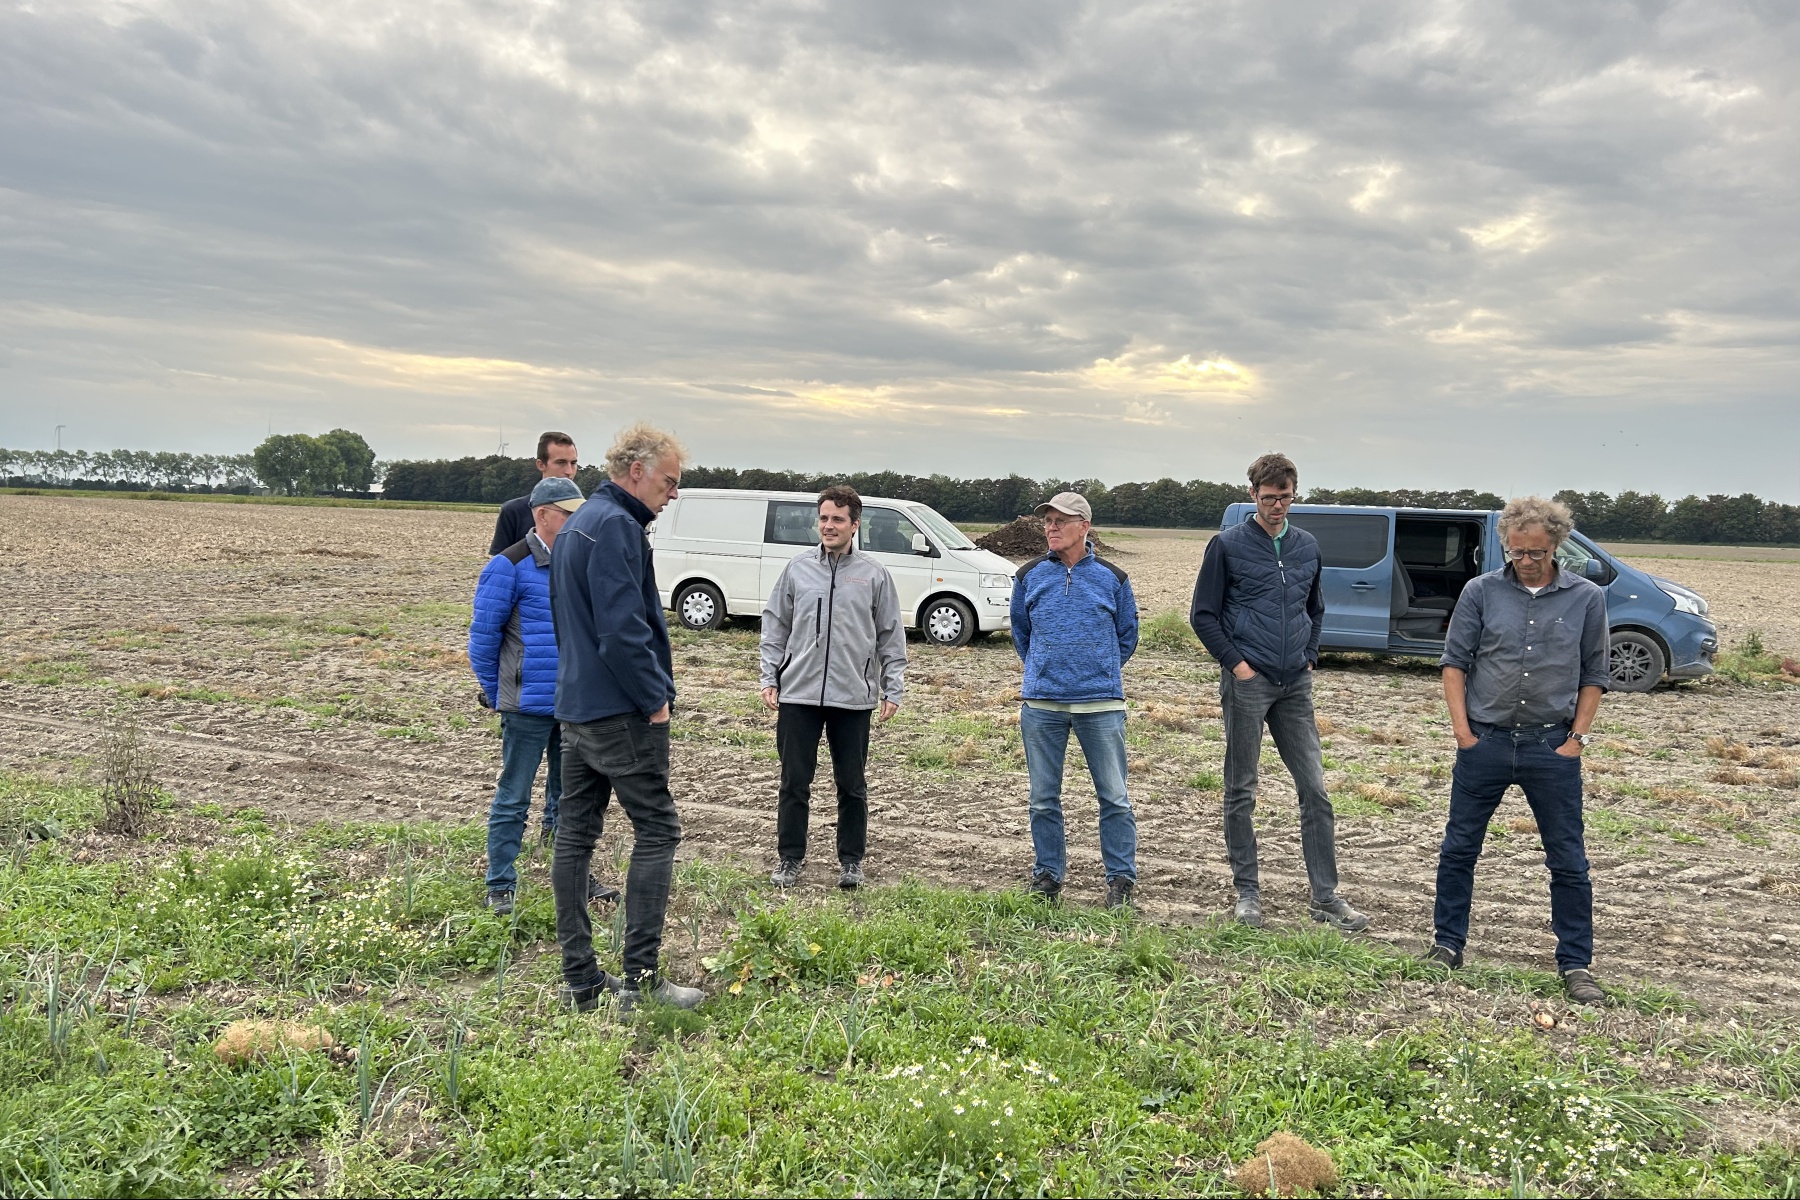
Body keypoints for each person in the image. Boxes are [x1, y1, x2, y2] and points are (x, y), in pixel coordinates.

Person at [1428, 495, 1611, 1005]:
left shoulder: (1586, 599)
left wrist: (1576, 740)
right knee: (1460, 849)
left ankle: (1575, 964)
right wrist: (1464, 735)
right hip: (1485, 742)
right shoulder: (1479, 592)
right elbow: (1454, 664)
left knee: (1568, 860)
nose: (1525, 561)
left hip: (1550, 746)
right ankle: (1447, 945)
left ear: (1555, 546)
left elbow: (1595, 674)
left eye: (1535, 552)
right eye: (1516, 552)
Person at [548, 422, 703, 1013]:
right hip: (620, 711)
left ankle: (582, 982)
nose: (674, 493)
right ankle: (641, 981)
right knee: (658, 830)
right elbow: (621, 630)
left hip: (576, 708)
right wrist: (654, 699)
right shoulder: (616, 527)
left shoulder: (578, 524)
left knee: (576, 836)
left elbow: (572, 623)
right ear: (635, 471)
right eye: (669, 481)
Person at [1189, 453, 1369, 933]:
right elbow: (1203, 615)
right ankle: (1247, 893)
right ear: (1253, 495)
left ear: (1294, 493)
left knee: (1315, 790)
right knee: (1241, 788)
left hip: (1295, 683)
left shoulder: (1307, 546)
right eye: (1268, 498)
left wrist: (1309, 653)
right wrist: (1239, 666)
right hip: (1249, 681)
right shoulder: (1227, 546)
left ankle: (1326, 898)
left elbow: (1316, 607)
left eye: (1285, 498)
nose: (1277, 507)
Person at [467, 477, 618, 915]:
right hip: (527, 707)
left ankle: (575, 877)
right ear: (542, 515)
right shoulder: (507, 566)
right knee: (514, 796)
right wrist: (501, 694)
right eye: (569, 514)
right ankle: (500, 882)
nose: (577, 522)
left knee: (569, 799)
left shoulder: (580, 562)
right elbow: (482, 640)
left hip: (572, 705)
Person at [760, 485, 907, 890]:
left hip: (852, 697)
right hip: (798, 694)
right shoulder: (797, 569)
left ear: (855, 525)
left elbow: (890, 635)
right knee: (793, 781)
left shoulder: (874, 575)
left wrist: (892, 687)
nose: (829, 525)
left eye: (838, 519)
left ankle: (851, 861)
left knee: (852, 784)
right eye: (824, 518)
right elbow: (775, 625)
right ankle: (790, 858)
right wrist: (770, 676)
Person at [1010, 492, 1140, 909]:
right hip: (1042, 705)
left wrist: (1096, 670)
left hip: (1100, 705)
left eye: (1060, 521)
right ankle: (1047, 875)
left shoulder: (1113, 578)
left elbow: (1127, 636)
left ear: (1084, 527)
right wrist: (1044, 669)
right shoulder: (1028, 576)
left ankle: (1120, 879)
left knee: (1114, 797)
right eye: (1047, 521)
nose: (1050, 527)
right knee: (1043, 797)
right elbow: (1021, 633)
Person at [490, 432, 579, 555]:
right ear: (541, 465)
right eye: (561, 463)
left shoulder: (585, 511)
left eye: (573, 463)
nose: (569, 471)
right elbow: (500, 566)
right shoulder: (513, 511)